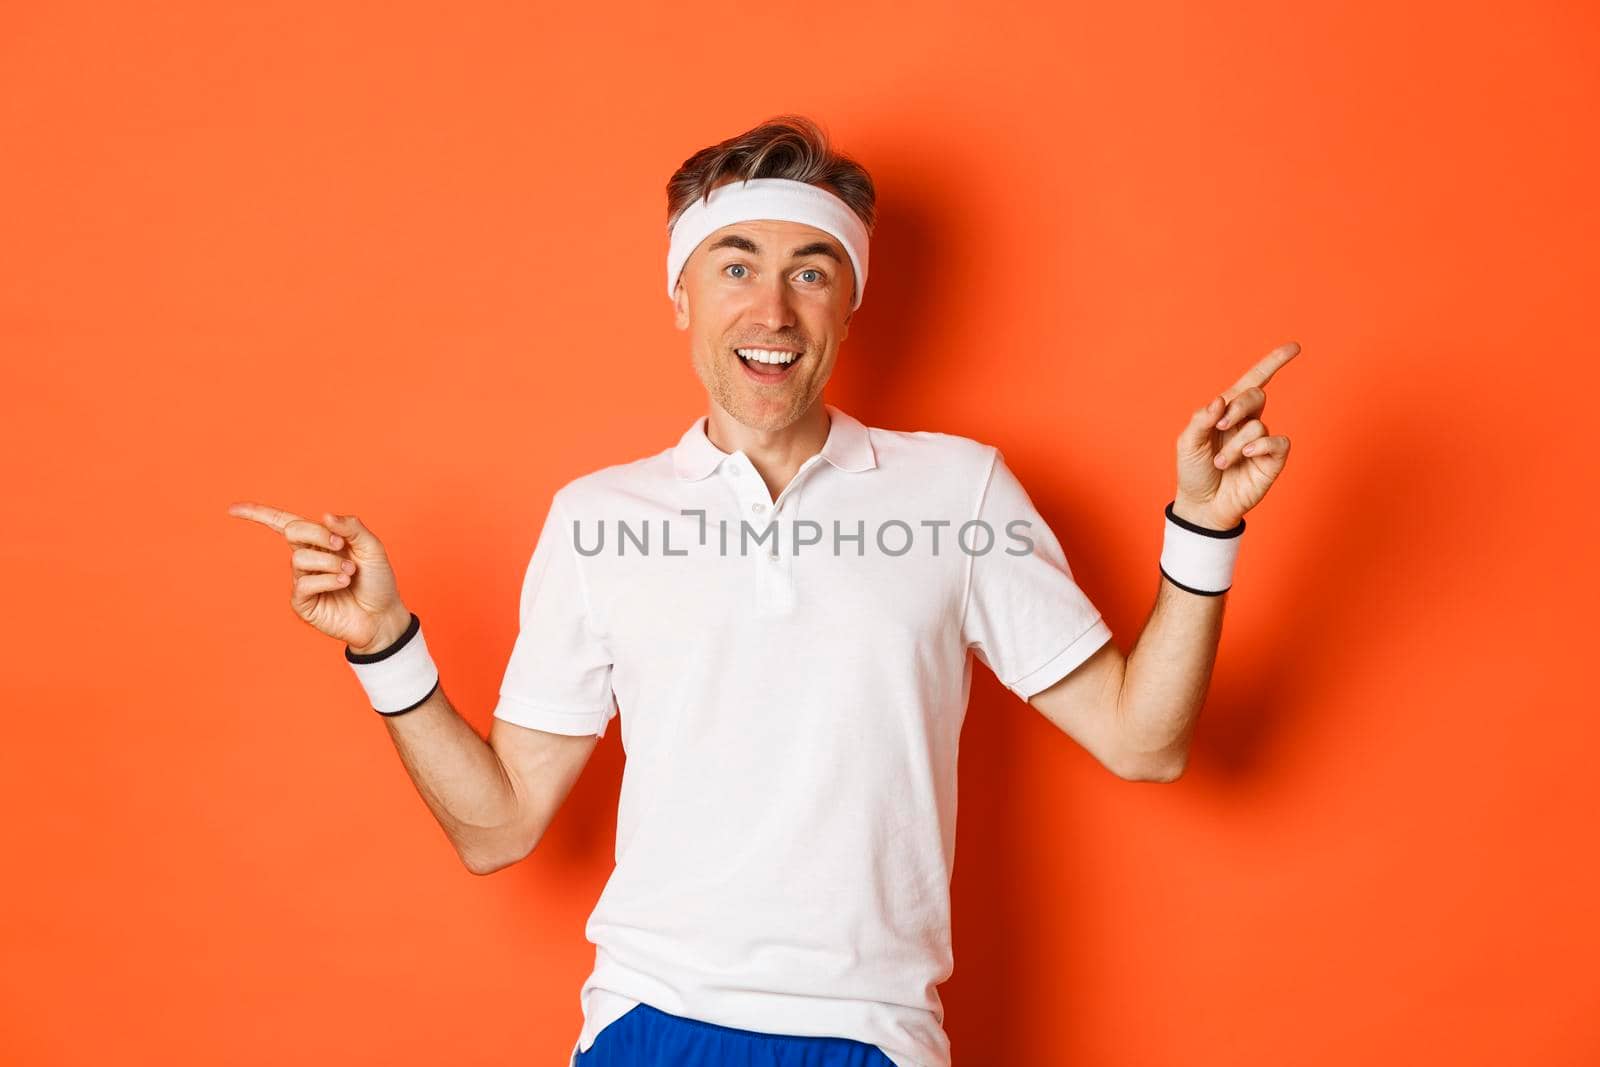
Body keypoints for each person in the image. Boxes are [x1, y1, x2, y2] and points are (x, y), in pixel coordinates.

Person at [228, 114, 1298, 1067]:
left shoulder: (956, 486)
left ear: (850, 303)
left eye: (812, 270)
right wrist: (386, 646)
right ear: (681, 295)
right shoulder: (600, 517)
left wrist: (1202, 526)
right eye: (734, 266)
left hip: (873, 1031)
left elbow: (1139, 739)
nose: (773, 306)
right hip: (647, 1017)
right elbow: (498, 826)